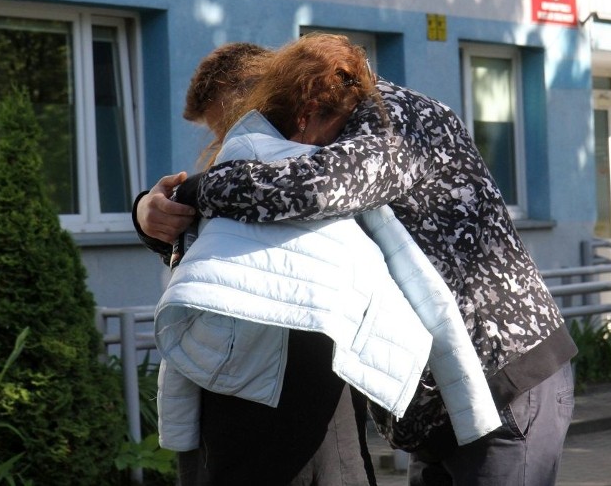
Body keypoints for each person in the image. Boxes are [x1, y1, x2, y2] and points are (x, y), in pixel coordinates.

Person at [137, 45, 578, 485]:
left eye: (239, 127)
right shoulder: (331, 134)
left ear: (296, 103)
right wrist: (150, 215)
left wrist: (192, 193)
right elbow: (243, 247)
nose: (241, 148)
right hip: (442, 404)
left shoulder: (394, 117)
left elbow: (313, 190)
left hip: (503, 383)